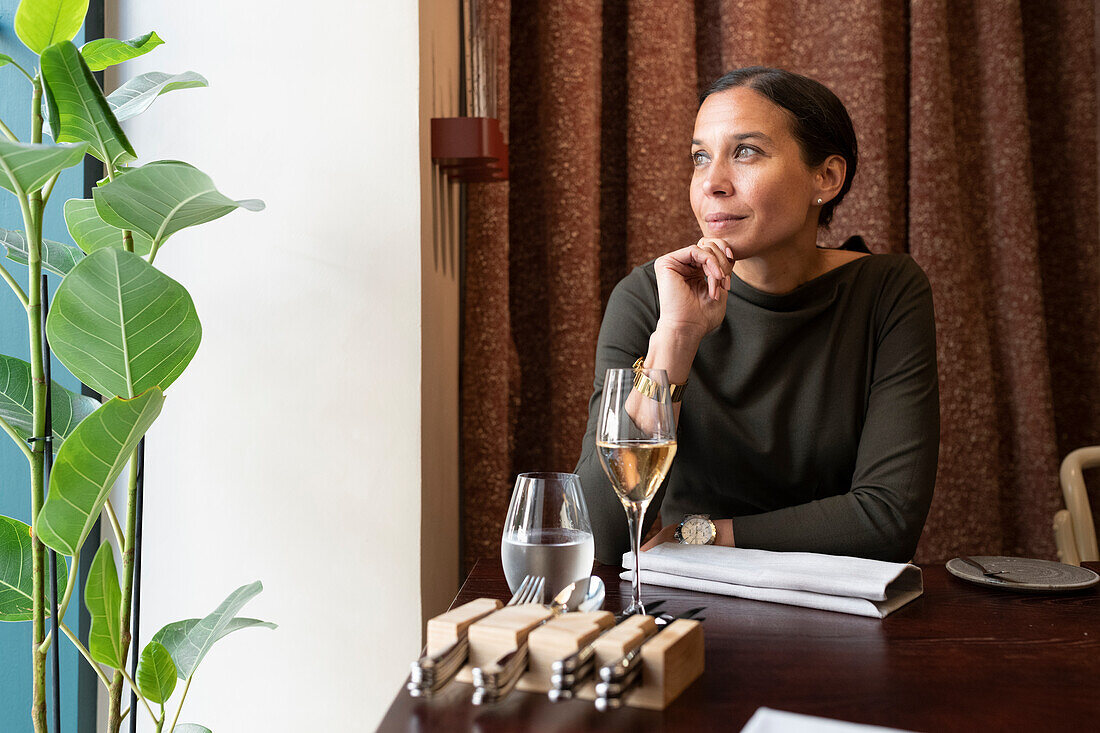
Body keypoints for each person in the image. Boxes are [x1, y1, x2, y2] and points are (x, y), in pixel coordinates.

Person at [574, 67, 939, 565]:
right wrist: (676, 338)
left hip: (836, 607)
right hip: (692, 608)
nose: (712, 184)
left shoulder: (887, 291)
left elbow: (887, 521)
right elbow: (599, 530)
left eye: (745, 151)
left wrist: (705, 534)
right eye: (701, 157)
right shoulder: (648, 297)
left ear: (826, 178)